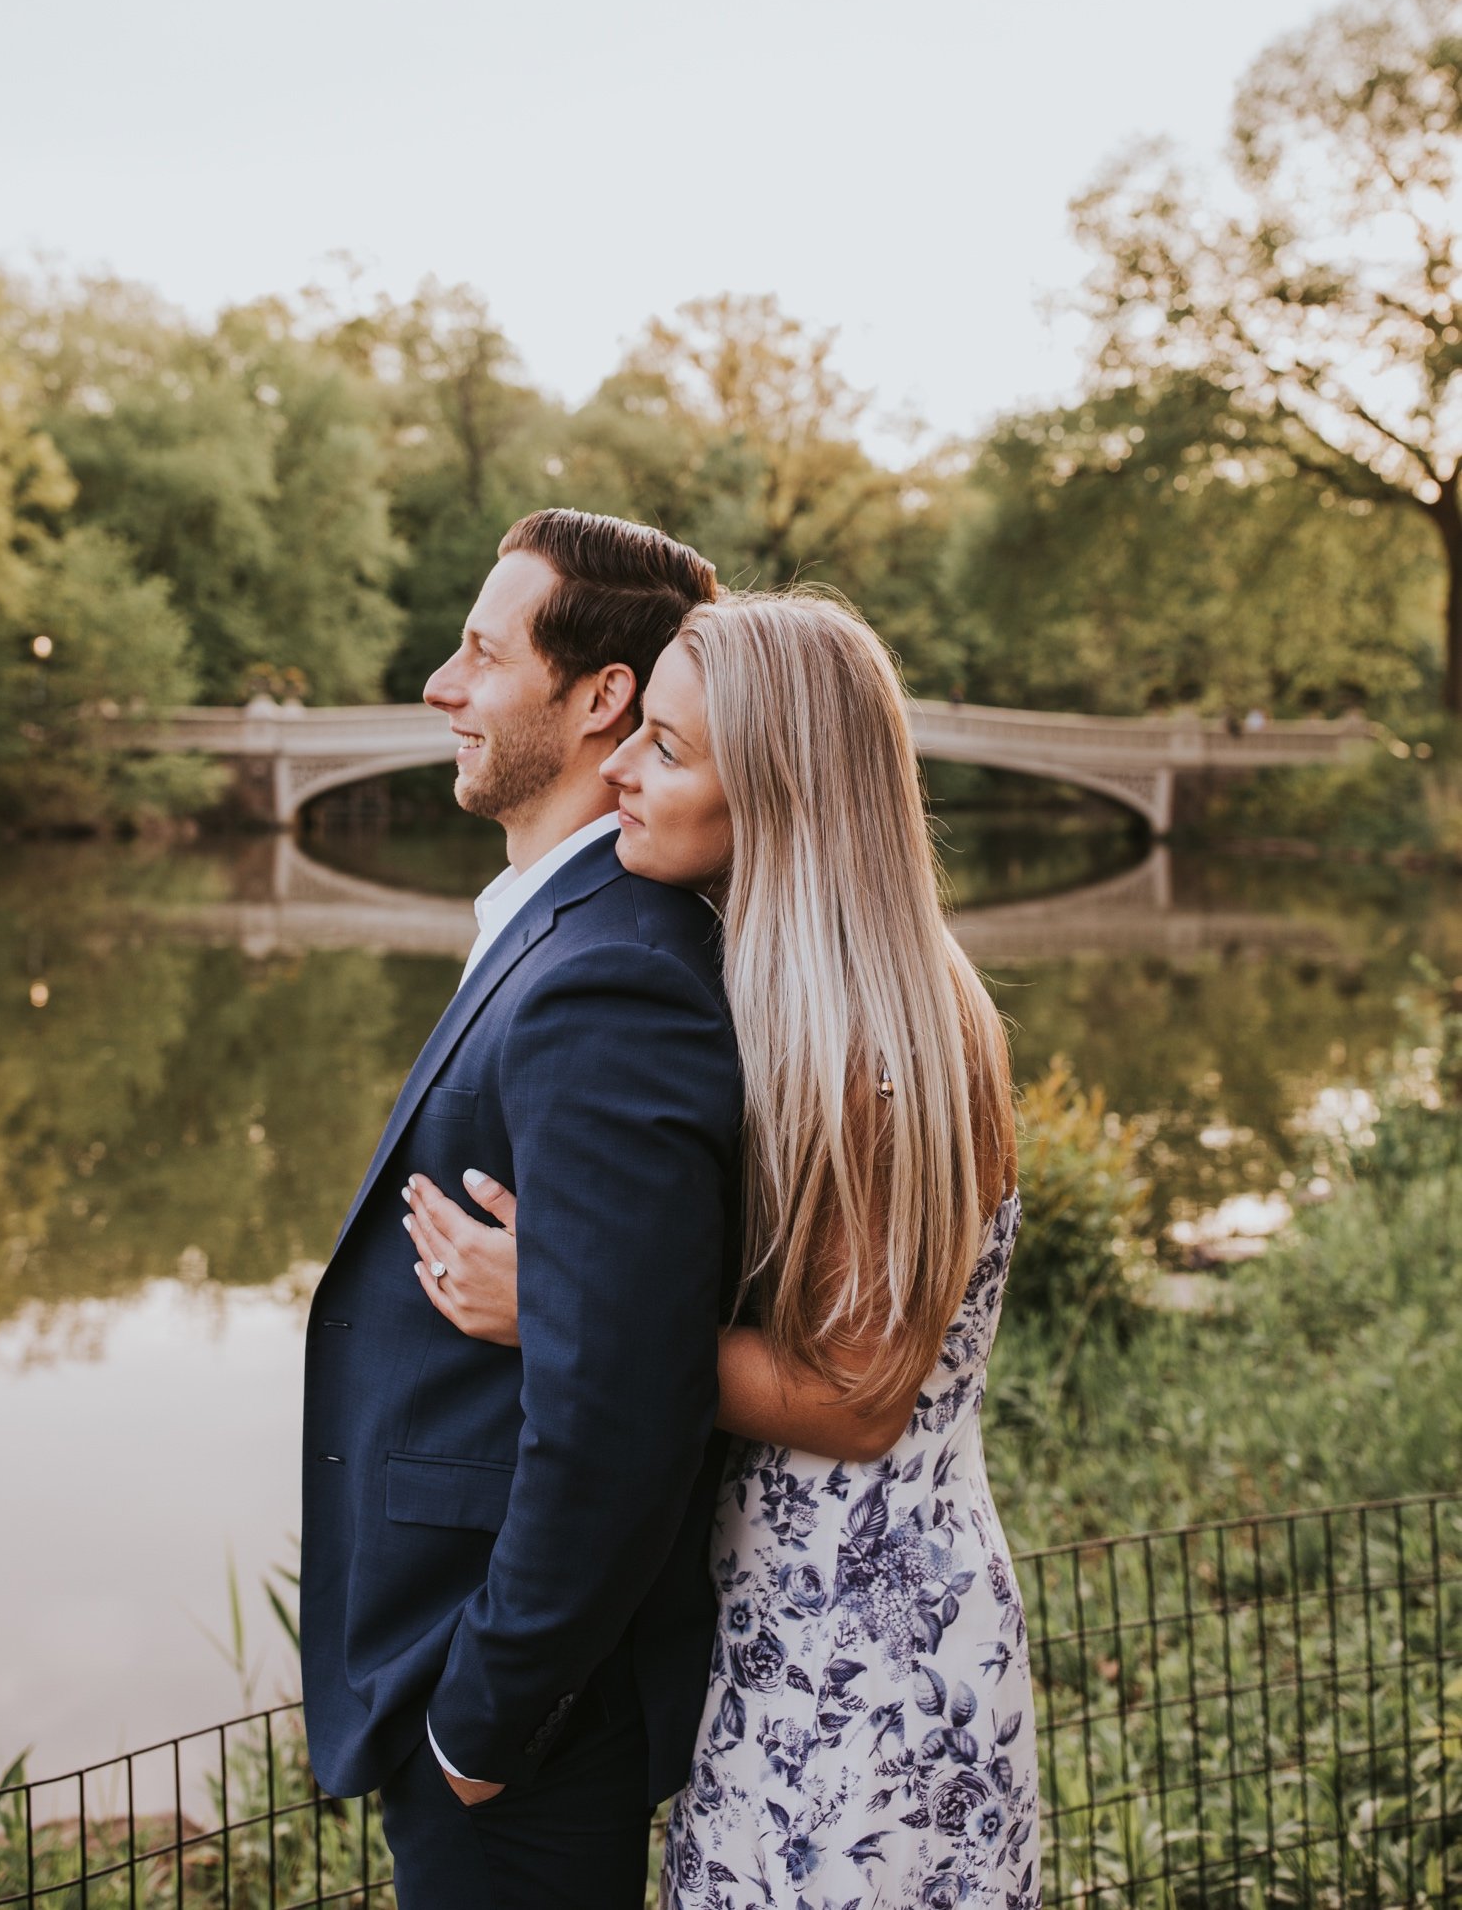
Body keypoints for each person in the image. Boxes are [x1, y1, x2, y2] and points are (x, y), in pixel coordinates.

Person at [407, 590, 1041, 1909]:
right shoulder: (783, 992)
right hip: (774, 1618)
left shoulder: (887, 1045)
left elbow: (860, 1401)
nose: (622, 765)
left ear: (791, 797)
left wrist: (563, 1317)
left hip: (864, 1647)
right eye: (639, 732)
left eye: (672, 750)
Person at [300, 510, 745, 1910]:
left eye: (482, 655)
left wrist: (482, 1722)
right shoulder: (556, 928)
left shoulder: (611, 971)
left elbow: (622, 1409)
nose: (441, 683)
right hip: (457, 1670)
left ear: (596, 694)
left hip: (510, 1712)